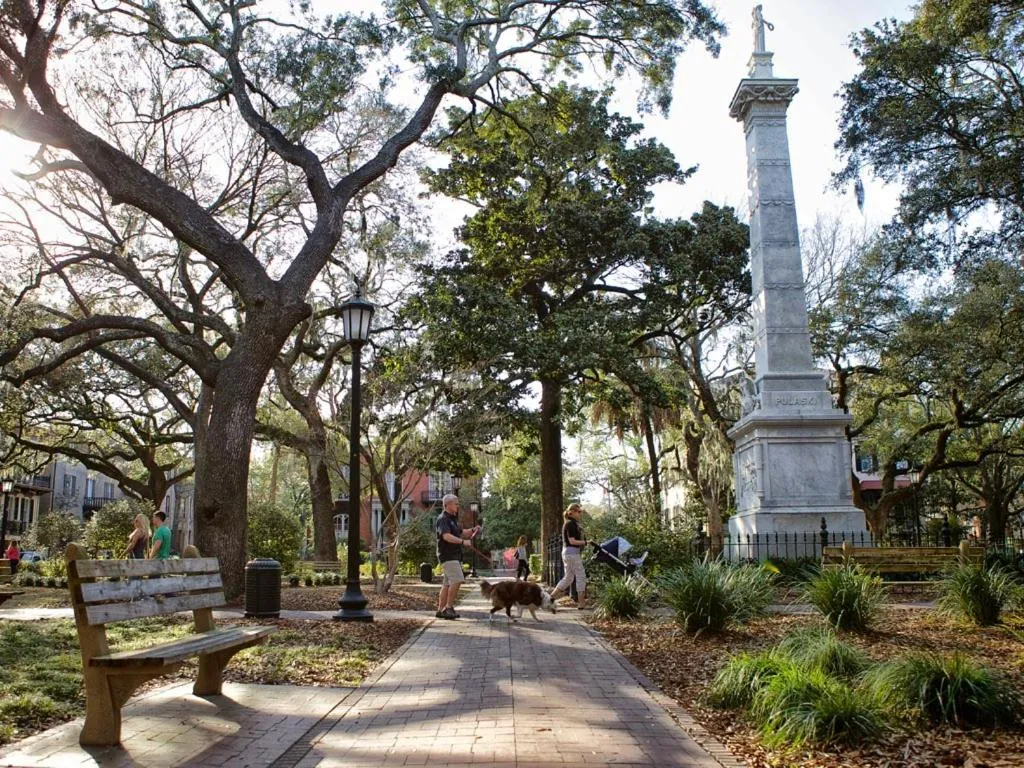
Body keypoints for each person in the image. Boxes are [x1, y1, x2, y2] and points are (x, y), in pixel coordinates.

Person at [435, 493, 479, 620]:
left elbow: (461, 532)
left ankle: (440, 610)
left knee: (447, 584)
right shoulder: (443, 519)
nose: (458, 506)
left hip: (453, 556)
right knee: (458, 579)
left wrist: (472, 530)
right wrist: (462, 542)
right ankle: (448, 608)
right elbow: (446, 536)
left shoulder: (452, 519)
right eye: (456, 503)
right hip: (448, 556)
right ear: (447, 505)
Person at [549, 503, 588, 609]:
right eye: (579, 511)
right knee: (581, 576)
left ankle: (550, 598)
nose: (580, 513)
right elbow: (572, 541)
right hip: (572, 553)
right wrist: (585, 542)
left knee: (568, 578)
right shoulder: (570, 524)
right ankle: (581, 603)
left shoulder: (572, 523)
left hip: (568, 553)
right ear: (572, 512)